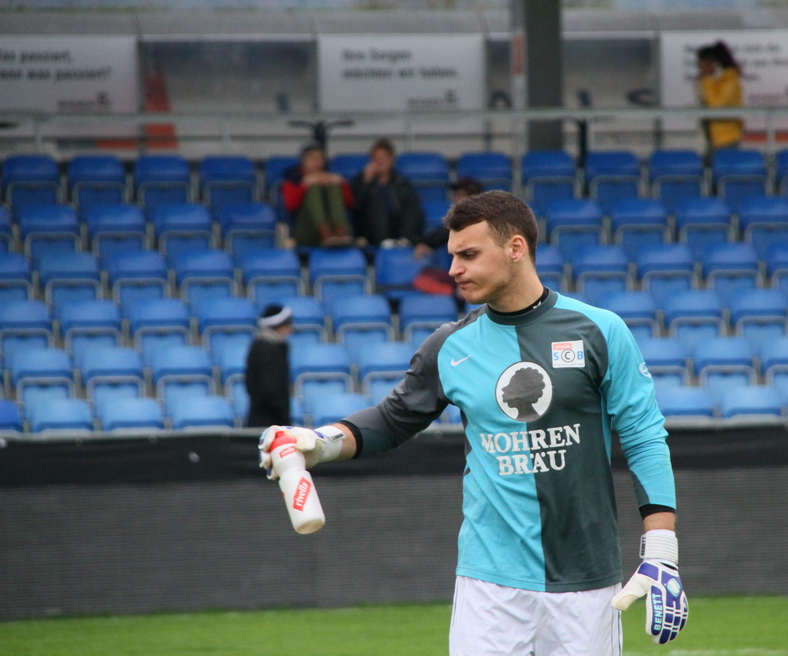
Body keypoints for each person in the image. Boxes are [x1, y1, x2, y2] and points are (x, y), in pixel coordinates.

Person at [258, 190, 688, 655]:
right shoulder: (450, 345)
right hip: (489, 584)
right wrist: (318, 441)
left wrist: (661, 552)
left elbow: (644, 437)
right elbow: (391, 419)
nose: (453, 269)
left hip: (587, 582)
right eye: (452, 256)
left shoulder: (600, 331)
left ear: (515, 248)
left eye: (468, 255)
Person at [349, 137, 425, 248]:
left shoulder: (401, 182)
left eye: (383, 158)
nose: (380, 162)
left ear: (392, 160)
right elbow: (355, 207)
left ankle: (406, 239)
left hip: (397, 226)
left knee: (412, 205)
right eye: (376, 158)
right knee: (377, 199)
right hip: (370, 230)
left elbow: (413, 211)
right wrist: (365, 183)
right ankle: (384, 240)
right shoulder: (361, 180)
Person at [281, 143, 355, 248]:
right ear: (303, 161)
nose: (317, 162)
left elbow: (351, 204)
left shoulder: (330, 177)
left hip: (336, 231)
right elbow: (290, 206)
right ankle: (325, 232)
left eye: (320, 158)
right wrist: (304, 186)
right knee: (313, 189)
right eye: (312, 158)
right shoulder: (294, 179)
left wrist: (342, 184)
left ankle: (340, 231)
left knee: (333, 186)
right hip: (308, 231)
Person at [245, 303, 294, 427]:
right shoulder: (269, 350)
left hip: (264, 417)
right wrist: (282, 416)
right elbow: (271, 388)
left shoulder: (261, 346)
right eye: (287, 325)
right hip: (268, 421)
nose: (290, 330)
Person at [413, 175, 483, 261]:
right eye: (455, 195)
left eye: (461, 195)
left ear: (474, 197)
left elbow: (446, 233)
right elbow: (443, 232)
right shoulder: (458, 219)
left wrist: (425, 242)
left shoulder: (479, 220)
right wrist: (423, 242)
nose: (456, 199)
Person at [696, 40, 744, 157]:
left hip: (726, 137)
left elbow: (716, 105)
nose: (699, 67)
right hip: (713, 136)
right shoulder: (716, 81)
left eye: (702, 64)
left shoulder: (729, 80)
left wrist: (707, 78)